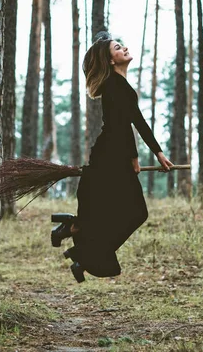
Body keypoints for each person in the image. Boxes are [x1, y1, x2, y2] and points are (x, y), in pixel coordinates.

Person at [52, 32, 173, 283]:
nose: (125, 48)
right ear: (111, 60)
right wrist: (133, 158)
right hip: (112, 155)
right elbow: (120, 126)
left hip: (112, 153)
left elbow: (137, 121)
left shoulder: (121, 86)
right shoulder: (113, 86)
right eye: (118, 48)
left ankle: (77, 237)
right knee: (135, 212)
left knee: (122, 211)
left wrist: (158, 152)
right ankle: (78, 241)